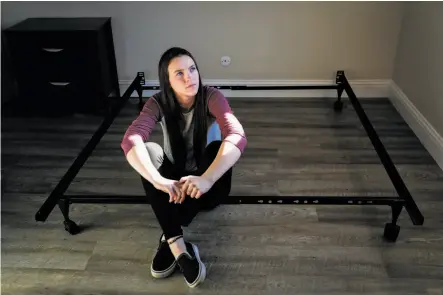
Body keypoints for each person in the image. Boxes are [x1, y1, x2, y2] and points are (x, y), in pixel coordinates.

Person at [120, 47, 247, 288]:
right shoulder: (157, 102)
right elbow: (131, 138)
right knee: (149, 151)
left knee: (216, 148)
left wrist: (207, 179)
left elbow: (237, 135)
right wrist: (159, 182)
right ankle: (179, 246)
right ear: (167, 82)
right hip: (174, 183)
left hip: (208, 185)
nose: (190, 77)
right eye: (179, 73)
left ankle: (169, 236)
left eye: (192, 69)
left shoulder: (211, 96)